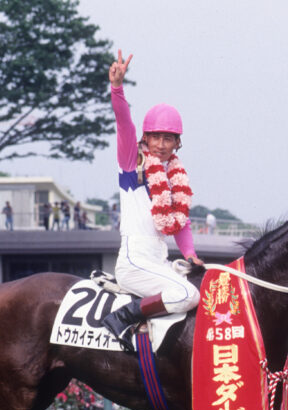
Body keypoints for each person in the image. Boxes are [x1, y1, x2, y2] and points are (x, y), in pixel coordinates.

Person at [100, 50, 204, 351]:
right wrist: (117, 88)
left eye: (168, 138)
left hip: (160, 260)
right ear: (145, 137)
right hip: (134, 261)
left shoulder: (174, 177)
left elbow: (181, 224)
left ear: (177, 143)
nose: (160, 144)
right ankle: (123, 317)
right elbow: (124, 124)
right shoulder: (132, 161)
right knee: (188, 295)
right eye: (155, 136)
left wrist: (190, 254)